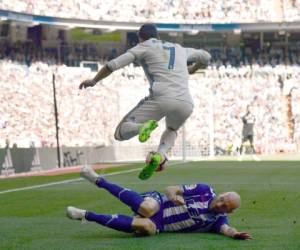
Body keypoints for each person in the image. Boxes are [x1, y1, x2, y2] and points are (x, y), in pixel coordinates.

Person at [79, 24, 211, 180]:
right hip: (186, 103)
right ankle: (160, 155)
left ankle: (142, 127)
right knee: (172, 129)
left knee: (120, 132)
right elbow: (206, 57)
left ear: (140, 37)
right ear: (158, 36)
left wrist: (94, 80)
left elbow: (112, 65)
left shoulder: (142, 47)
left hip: (161, 97)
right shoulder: (179, 48)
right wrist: (193, 69)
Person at [66, 166, 252, 240]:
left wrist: (236, 234)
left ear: (229, 212)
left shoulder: (218, 220)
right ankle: (98, 180)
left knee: (145, 226)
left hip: (159, 224)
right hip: (158, 203)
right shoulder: (204, 190)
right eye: (222, 200)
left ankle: (84, 215)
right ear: (221, 194)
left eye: (225, 207)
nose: (220, 205)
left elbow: (227, 230)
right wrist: (173, 196)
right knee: (147, 209)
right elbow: (171, 188)